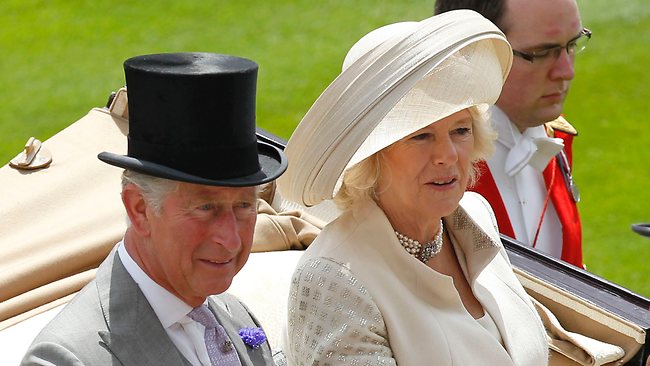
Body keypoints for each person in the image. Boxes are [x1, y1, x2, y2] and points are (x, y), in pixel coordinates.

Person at [277, 10, 548, 366]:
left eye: (460, 130)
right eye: (421, 136)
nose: (447, 155)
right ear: (370, 157)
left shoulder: (476, 218)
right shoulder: (332, 281)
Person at [21, 52, 287, 365]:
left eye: (244, 205)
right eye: (205, 207)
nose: (231, 240)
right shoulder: (68, 358)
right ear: (140, 210)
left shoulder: (236, 317)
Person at [434, 0, 590, 267]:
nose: (567, 71)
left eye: (572, 45)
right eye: (541, 53)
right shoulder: (432, 164)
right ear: (472, 51)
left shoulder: (555, 136)